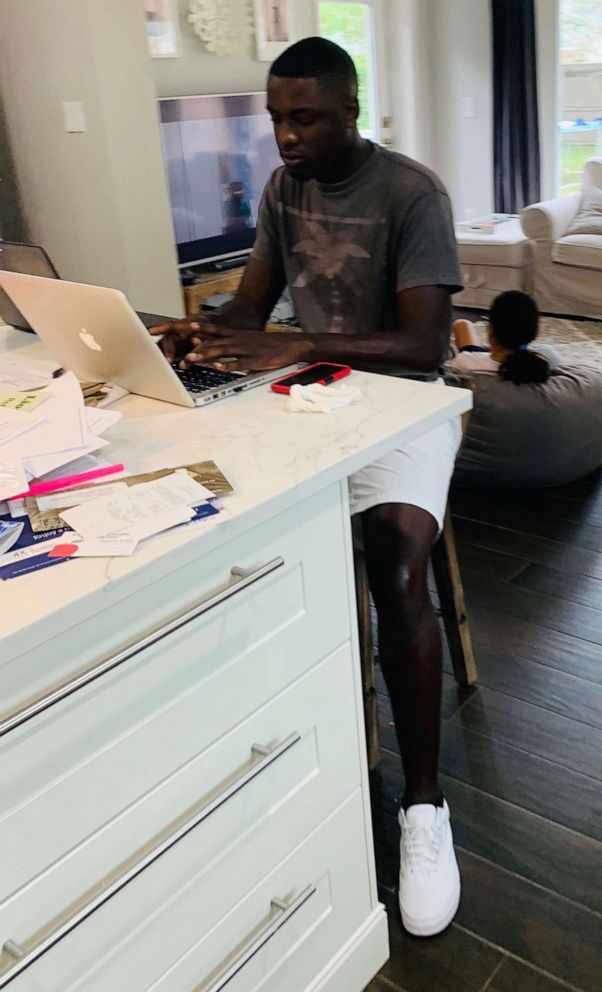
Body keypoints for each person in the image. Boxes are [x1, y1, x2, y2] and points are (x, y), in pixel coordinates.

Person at [151, 37, 464, 937]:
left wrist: (298, 344)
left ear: (350, 110)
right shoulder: (285, 191)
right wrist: (208, 332)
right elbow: (254, 305)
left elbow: (422, 347)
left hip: (408, 411)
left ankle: (425, 807)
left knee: (395, 562)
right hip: (313, 402)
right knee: (225, 526)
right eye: (277, 117)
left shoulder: (413, 194)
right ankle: (274, 736)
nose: (285, 136)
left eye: (306, 118)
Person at [450, 290, 559, 383]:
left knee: (462, 324)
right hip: (512, 354)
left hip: (481, 358)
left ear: (490, 329)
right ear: (534, 333)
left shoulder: (463, 362)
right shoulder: (547, 357)